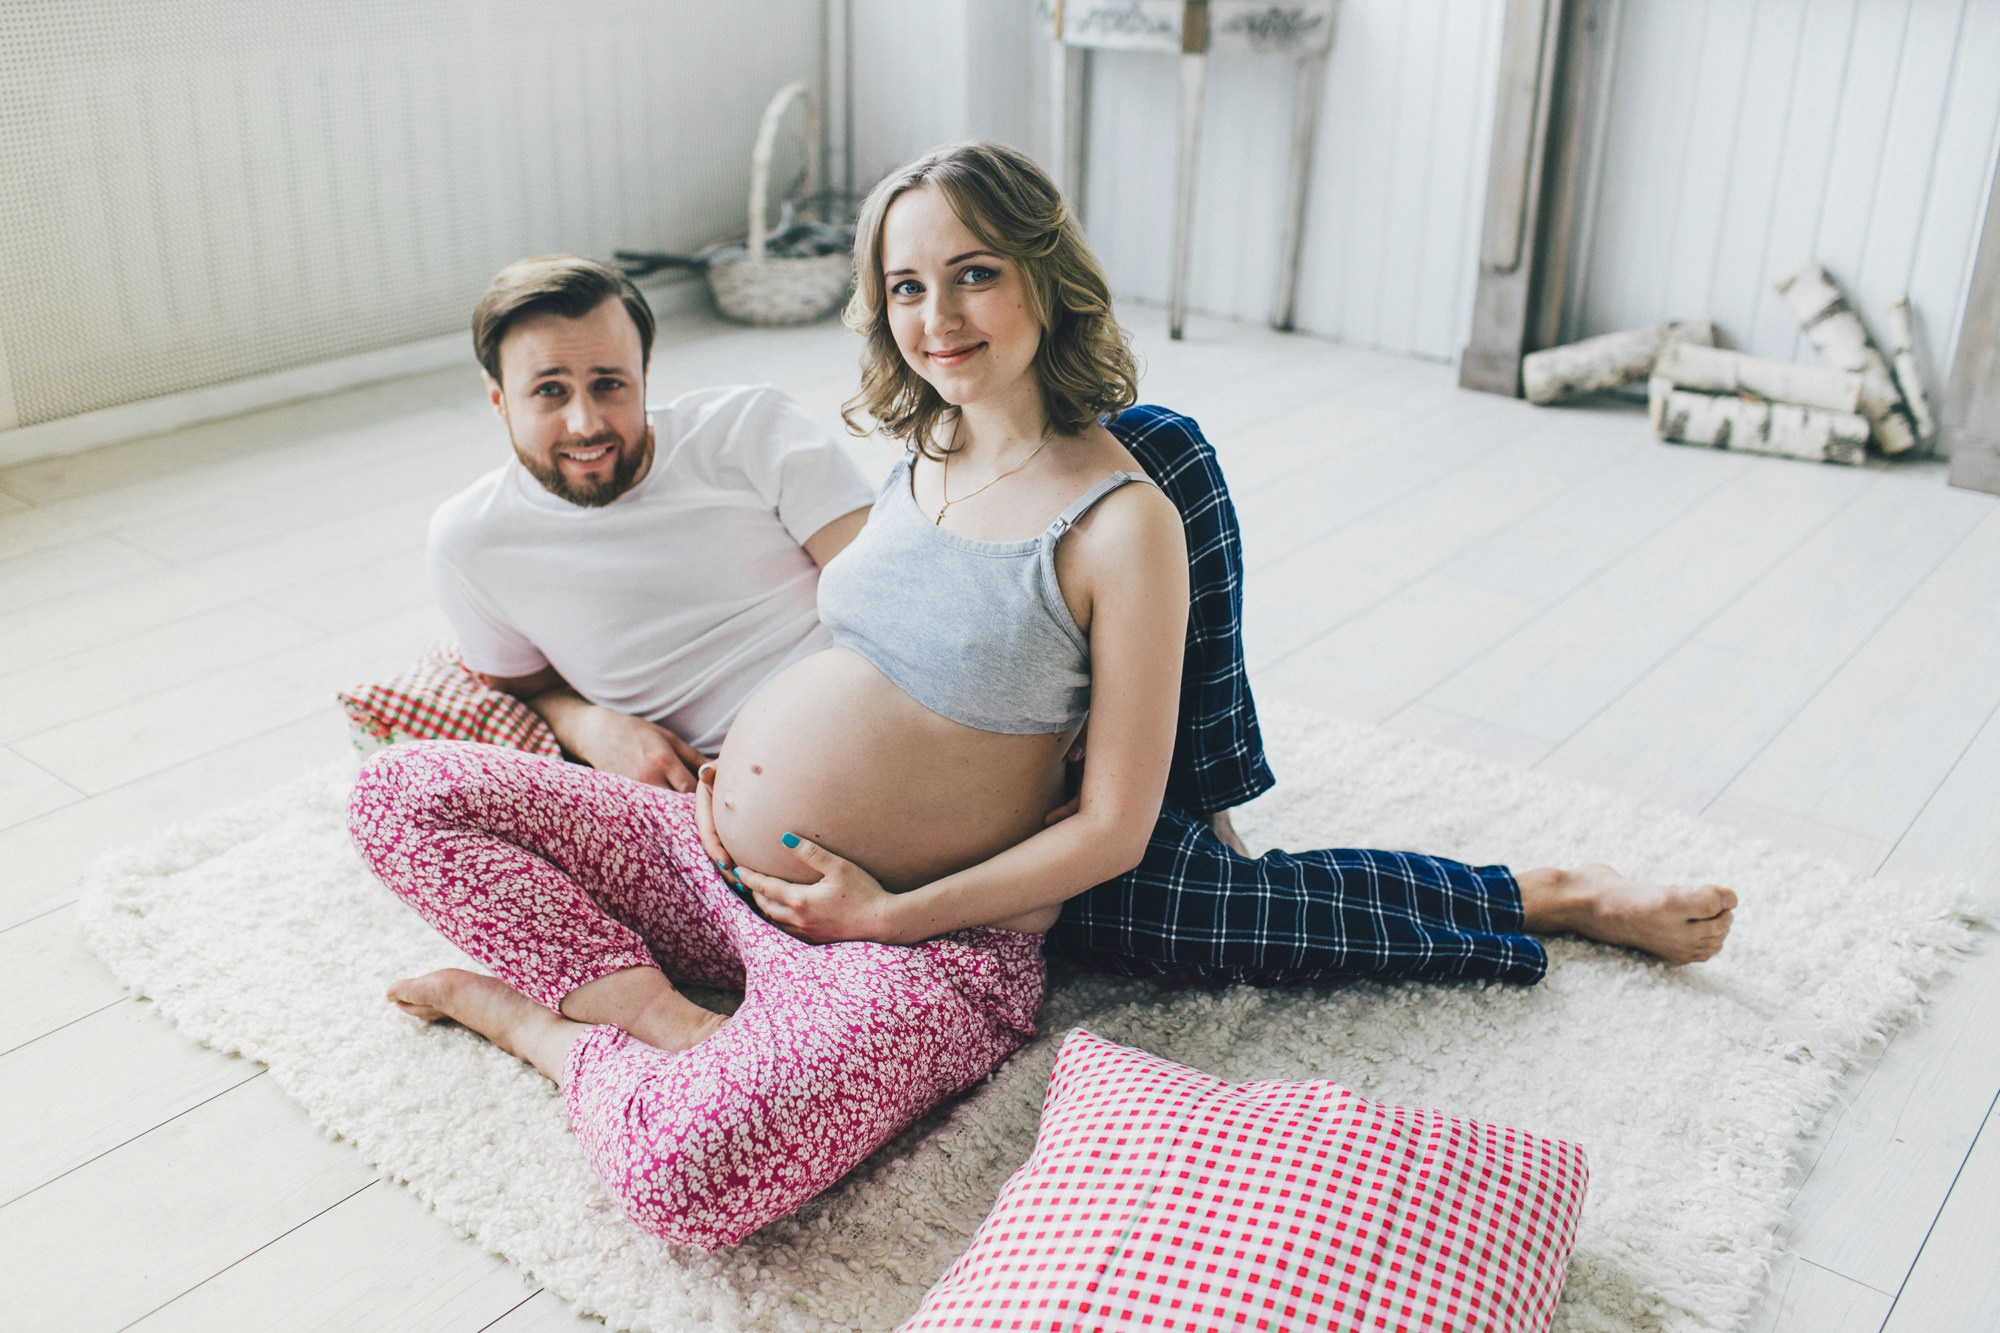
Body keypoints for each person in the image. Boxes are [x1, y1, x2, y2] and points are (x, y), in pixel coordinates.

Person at [351, 142, 1734, 1246]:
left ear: (1043, 280)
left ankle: (1534, 890)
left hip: (924, 929)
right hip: (711, 847)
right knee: (395, 790)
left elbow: (1099, 826)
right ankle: (631, 1009)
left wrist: (888, 908)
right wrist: (680, 751)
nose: (937, 316)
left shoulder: (1123, 511)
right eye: (906, 287)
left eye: (974, 276)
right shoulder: (919, 443)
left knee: (703, 1170)